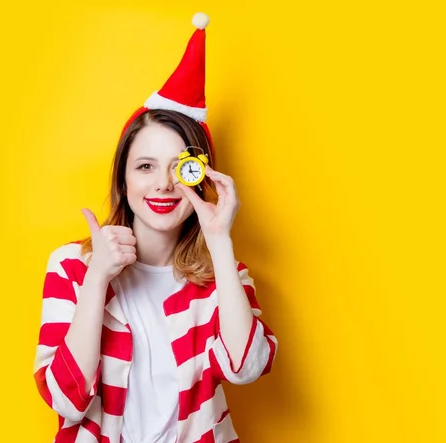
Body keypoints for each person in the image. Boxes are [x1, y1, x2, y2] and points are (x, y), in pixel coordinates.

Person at [33, 12, 278, 443]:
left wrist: (219, 241)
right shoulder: (72, 266)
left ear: (199, 177)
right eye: (145, 166)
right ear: (123, 181)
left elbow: (246, 369)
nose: (163, 183)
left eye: (177, 168)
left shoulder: (224, 276)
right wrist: (96, 280)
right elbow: (65, 401)